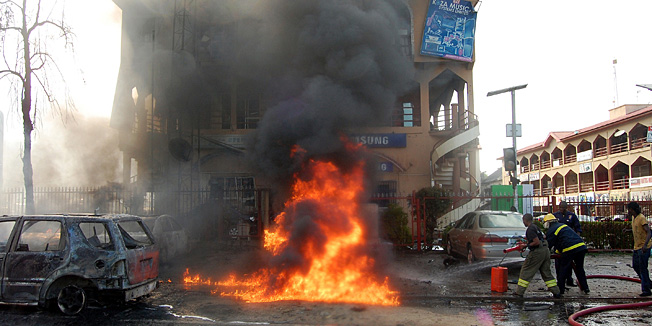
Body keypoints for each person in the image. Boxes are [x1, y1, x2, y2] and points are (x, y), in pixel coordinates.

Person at [513, 213, 561, 298]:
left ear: (525, 220)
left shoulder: (530, 229)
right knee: (546, 272)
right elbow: (542, 238)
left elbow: (536, 242)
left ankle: (519, 293)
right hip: (545, 250)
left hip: (537, 252)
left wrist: (525, 246)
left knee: (526, 270)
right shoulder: (535, 227)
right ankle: (556, 292)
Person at [543, 213, 590, 295]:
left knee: (563, 269)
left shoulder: (551, 230)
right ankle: (585, 288)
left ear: (547, 223)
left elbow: (549, 245)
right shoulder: (563, 225)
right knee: (579, 269)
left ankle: (560, 290)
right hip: (581, 247)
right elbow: (561, 242)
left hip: (570, 249)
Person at [553, 200, 582, 287]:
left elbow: (578, 228)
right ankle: (560, 281)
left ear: (566, 208)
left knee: (569, 263)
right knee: (558, 263)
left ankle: (569, 280)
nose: (562, 209)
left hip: (569, 244)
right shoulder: (555, 216)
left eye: (563, 208)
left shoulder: (572, 216)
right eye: (560, 208)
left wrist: (576, 238)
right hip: (559, 243)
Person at [626, 202, 651, 297]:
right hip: (637, 247)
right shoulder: (634, 218)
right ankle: (648, 283)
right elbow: (636, 229)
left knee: (643, 267)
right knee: (636, 266)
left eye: (629, 209)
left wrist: (645, 245)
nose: (629, 211)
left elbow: (648, 232)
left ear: (633, 209)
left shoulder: (641, 218)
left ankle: (646, 289)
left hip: (644, 247)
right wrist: (628, 231)